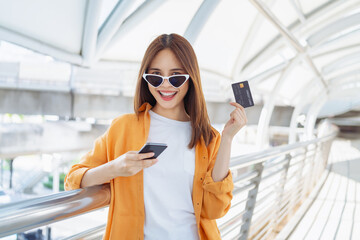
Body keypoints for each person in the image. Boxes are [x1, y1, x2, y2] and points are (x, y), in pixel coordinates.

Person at [65, 33, 247, 240]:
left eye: (176, 77)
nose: (165, 85)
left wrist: (228, 138)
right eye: (155, 76)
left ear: (191, 79)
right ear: (145, 79)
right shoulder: (122, 128)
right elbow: (73, 180)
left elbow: (215, 210)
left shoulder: (209, 138)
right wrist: (116, 168)